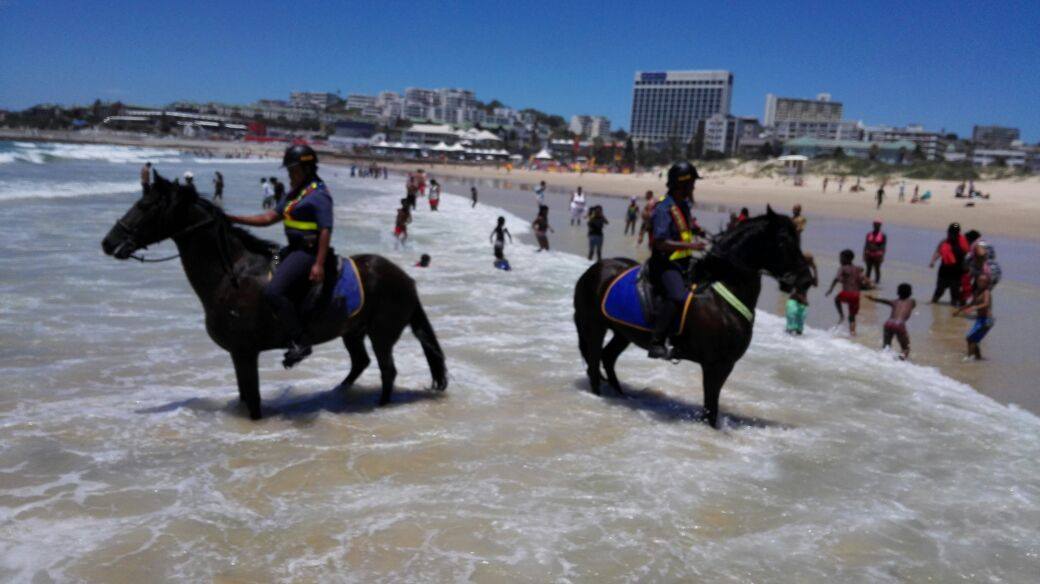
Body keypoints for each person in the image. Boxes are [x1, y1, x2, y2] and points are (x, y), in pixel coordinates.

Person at [228, 145, 332, 368]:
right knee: (267, 268)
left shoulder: (319, 194)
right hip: (288, 250)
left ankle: (301, 341)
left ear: (306, 168)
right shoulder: (295, 194)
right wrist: (234, 218)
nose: (289, 174)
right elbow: (268, 218)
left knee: (274, 290)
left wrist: (319, 263)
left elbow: (325, 230)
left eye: (292, 170)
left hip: (307, 253)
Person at [647, 161, 707, 359]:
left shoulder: (683, 205)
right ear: (682, 185)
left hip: (683, 262)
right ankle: (657, 341)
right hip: (664, 264)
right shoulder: (663, 208)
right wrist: (691, 246)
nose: (694, 188)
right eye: (692, 184)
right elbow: (661, 243)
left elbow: (683, 229)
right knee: (678, 297)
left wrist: (696, 230)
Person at [826, 249, 869, 336]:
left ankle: (841, 315)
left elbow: (836, 278)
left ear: (847, 259)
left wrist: (830, 289)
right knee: (852, 316)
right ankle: (853, 333)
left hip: (847, 294)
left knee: (836, 299)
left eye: (841, 258)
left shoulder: (842, 268)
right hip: (856, 295)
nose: (840, 260)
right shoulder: (857, 269)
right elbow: (865, 280)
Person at [868, 283, 916, 360]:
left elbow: (884, 301)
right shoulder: (912, 301)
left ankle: (884, 360)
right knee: (906, 348)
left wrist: (873, 299)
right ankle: (900, 362)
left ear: (897, 292)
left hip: (888, 323)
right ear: (910, 293)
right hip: (899, 324)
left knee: (886, 346)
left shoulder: (894, 301)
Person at [954, 274, 994, 360]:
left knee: (970, 338)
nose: (981, 283)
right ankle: (977, 358)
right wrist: (960, 309)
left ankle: (969, 359)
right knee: (974, 340)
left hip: (987, 320)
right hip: (980, 319)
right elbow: (971, 303)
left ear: (987, 283)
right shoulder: (977, 292)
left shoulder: (986, 292)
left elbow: (986, 303)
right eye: (979, 280)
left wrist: (975, 307)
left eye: (984, 281)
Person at [929, 223, 969, 305]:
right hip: (944, 271)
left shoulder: (963, 244)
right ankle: (932, 303)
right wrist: (933, 261)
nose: (950, 235)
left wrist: (967, 269)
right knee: (939, 290)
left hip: (957, 272)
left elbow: (968, 256)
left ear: (958, 233)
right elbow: (938, 252)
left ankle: (953, 308)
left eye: (953, 233)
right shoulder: (944, 242)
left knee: (954, 293)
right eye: (949, 232)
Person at [785, 252, 818, 335]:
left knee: (799, 329)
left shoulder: (808, 272)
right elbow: (796, 287)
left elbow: (815, 284)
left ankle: (793, 346)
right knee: (791, 327)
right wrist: (802, 298)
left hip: (802, 303)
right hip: (794, 301)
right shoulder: (800, 270)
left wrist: (815, 270)